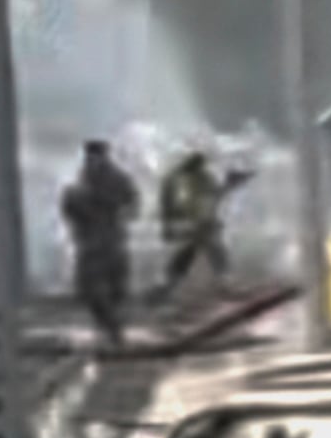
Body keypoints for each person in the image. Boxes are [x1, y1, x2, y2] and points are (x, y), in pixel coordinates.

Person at [61, 139, 139, 347]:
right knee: (95, 290)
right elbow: (70, 208)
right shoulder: (86, 181)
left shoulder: (112, 179)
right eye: (91, 157)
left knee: (107, 289)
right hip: (97, 242)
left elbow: (132, 206)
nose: (93, 161)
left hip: (104, 241)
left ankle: (112, 327)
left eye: (96, 157)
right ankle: (111, 327)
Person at [157, 143, 240, 299]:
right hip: (199, 223)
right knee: (211, 253)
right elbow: (210, 197)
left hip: (196, 223)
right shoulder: (192, 178)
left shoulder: (185, 177)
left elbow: (212, 196)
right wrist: (228, 185)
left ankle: (169, 285)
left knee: (193, 254)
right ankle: (224, 283)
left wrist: (228, 186)